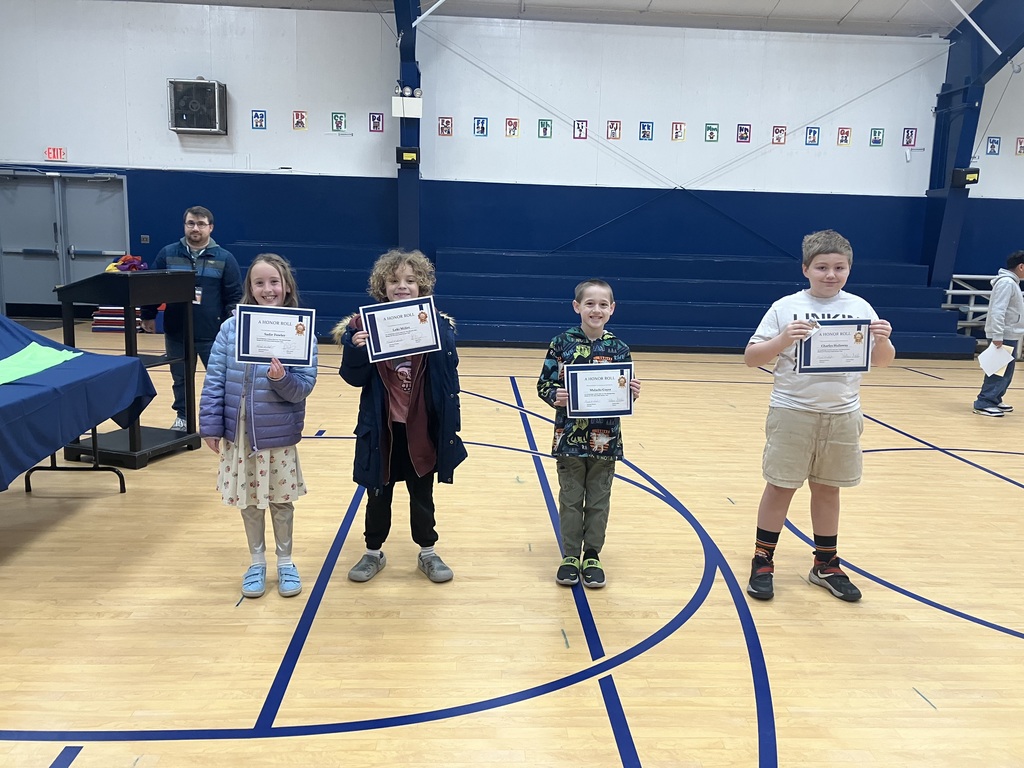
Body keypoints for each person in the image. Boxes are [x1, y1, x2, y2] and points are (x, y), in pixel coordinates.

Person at [744, 229, 895, 602]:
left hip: (843, 414)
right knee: (781, 485)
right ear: (806, 269)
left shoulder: (861, 307)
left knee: (829, 488)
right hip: (793, 411)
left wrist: (884, 340)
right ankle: (763, 558)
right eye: (823, 267)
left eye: (839, 267)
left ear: (849, 269)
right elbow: (751, 357)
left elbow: (883, 362)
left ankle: (825, 563)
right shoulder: (785, 307)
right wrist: (783, 340)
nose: (831, 274)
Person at [333, 249, 467, 584]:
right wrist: (354, 347)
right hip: (382, 429)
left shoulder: (436, 325)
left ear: (422, 286)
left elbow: (450, 379)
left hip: (421, 428)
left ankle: (428, 552)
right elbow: (353, 378)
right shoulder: (364, 325)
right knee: (378, 493)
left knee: (422, 495)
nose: (402, 286)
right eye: (394, 281)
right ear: (383, 286)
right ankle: (373, 552)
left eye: (410, 280)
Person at [199, 253, 317, 598]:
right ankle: (256, 562)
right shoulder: (231, 328)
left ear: (287, 286)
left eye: (274, 282)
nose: (268, 289)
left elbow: (303, 387)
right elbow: (215, 379)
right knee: (249, 501)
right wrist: (210, 425)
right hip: (240, 433)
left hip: (276, 434)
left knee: (281, 502)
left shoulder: (299, 329)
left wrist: (281, 379)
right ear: (249, 288)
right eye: (259, 282)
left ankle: (285, 562)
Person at [537, 278, 641, 589]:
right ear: (577, 307)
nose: (596, 309)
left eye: (603, 304)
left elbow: (623, 391)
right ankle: (570, 556)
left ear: (612, 309)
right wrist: (555, 395)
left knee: (599, 500)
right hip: (569, 439)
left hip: (605, 440)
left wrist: (632, 392)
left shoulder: (620, 349)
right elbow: (544, 385)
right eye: (590, 303)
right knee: (570, 499)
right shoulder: (560, 344)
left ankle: (592, 555)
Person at [141, 206, 243, 431]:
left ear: (210, 227)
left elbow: (234, 297)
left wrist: (231, 327)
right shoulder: (167, 254)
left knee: (221, 380)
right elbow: (151, 288)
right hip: (177, 332)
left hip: (213, 334)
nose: (195, 228)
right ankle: (184, 417)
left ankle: (224, 420)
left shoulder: (225, 258)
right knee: (181, 379)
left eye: (201, 224)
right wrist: (147, 315)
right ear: (184, 225)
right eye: (191, 223)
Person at [972, 250, 1024, 417]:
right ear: (1021, 267)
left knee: (1007, 371)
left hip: (1010, 333)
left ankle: (995, 399)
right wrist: (997, 335)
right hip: (1004, 334)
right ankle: (984, 402)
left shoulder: (1012, 283)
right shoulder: (1007, 283)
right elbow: (998, 310)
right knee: (997, 370)